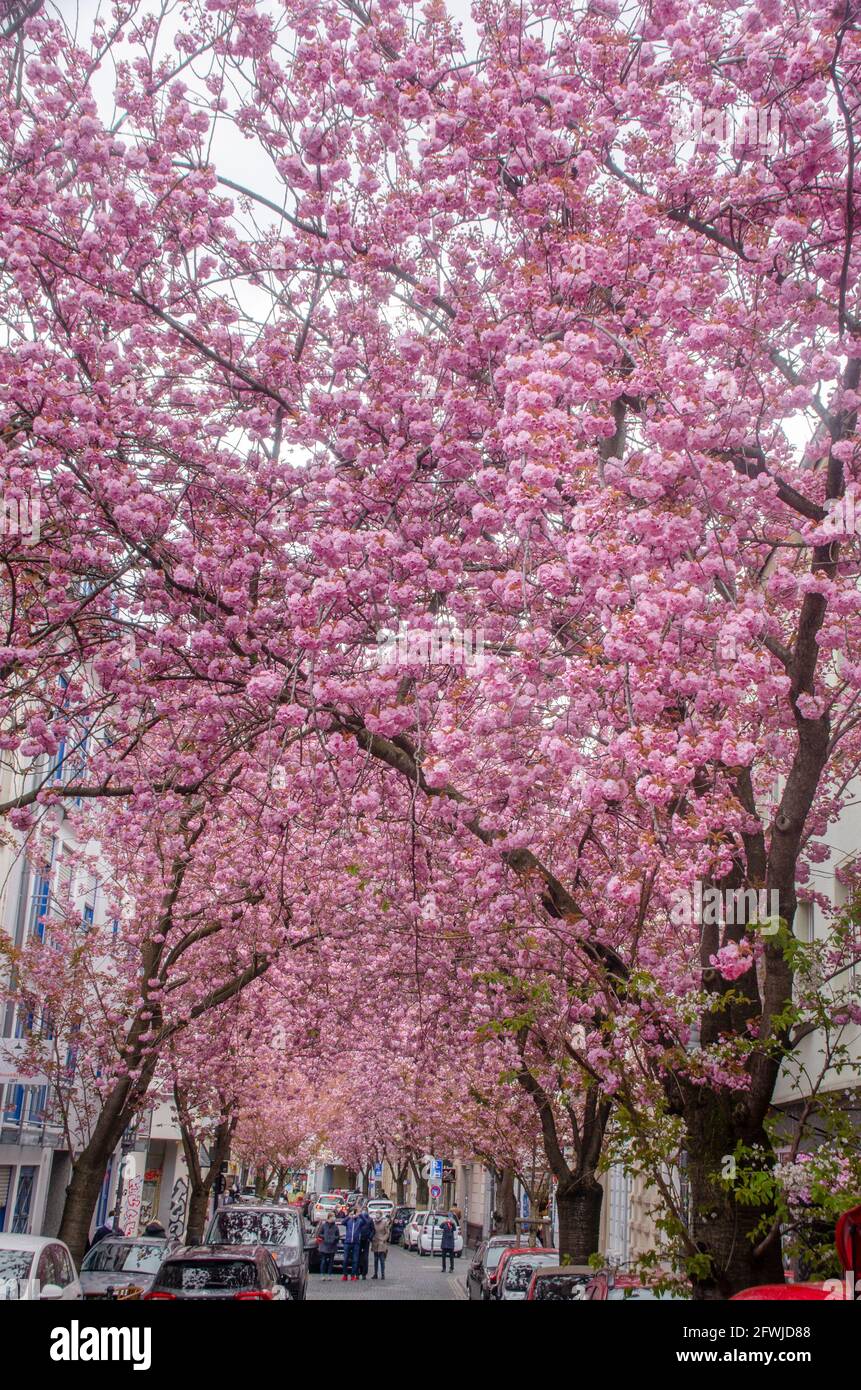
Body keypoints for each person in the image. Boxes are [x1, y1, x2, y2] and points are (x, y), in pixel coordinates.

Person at [316, 1212, 339, 1280]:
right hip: (324, 1246)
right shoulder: (323, 1225)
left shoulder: (335, 1226)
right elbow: (319, 1234)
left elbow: (338, 1236)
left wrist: (334, 1238)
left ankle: (329, 1275)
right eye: (333, 1216)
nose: (334, 1218)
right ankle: (322, 1275)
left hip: (332, 1246)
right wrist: (325, 1237)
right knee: (323, 1261)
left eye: (334, 1216)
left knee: (331, 1262)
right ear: (329, 1217)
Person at [342, 1209, 363, 1281]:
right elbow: (342, 1222)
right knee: (345, 1260)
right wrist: (349, 1216)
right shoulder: (348, 1221)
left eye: (355, 1213)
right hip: (347, 1242)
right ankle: (345, 1275)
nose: (354, 1214)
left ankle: (353, 1275)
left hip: (356, 1243)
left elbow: (366, 1221)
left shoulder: (359, 1221)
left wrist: (360, 1215)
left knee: (355, 1260)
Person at [357, 1205, 374, 1279]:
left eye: (365, 1210)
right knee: (358, 1256)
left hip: (366, 1239)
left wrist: (370, 1238)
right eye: (363, 1210)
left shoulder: (370, 1220)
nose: (364, 1211)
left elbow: (373, 1230)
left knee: (365, 1257)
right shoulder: (358, 1218)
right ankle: (357, 1272)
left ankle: (364, 1273)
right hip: (359, 1240)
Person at [371, 1213, 390, 1280]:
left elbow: (387, 1233)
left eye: (378, 1214)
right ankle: (375, 1274)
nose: (377, 1215)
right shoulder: (373, 1223)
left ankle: (383, 1274)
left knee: (382, 1259)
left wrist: (383, 1239)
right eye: (376, 1214)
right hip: (375, 1242)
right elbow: (372, 1231)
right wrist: (372, 1238)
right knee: (375, 1259)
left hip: (382, 1242)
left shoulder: (384, 1223)